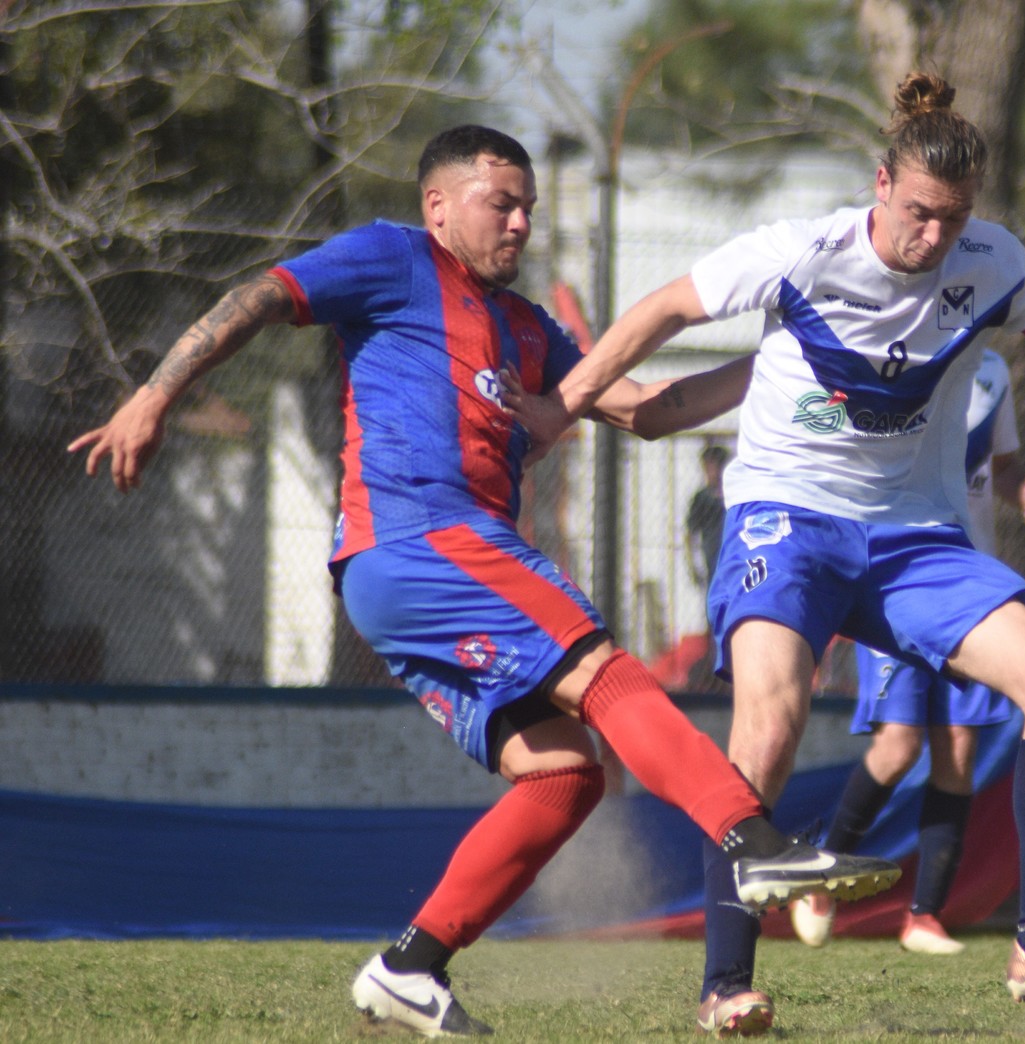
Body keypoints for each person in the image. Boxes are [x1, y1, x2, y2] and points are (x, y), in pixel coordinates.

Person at [66, 124, 899, 1038]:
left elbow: (648, 411)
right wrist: (153, 394)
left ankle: (409, 968)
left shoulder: (524, 327)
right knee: (604, 671)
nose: (520, 224)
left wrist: (784, 361)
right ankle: (753, 842)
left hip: (405, 577)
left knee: (564, 775)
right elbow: (261, 295)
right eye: (500, 204)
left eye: (529, 209)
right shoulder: (393, 258)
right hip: (425, 540)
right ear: (437, 205)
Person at [506, 72, 1025, 1036]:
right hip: (787, 518)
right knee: (771, 724)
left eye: (952, 220)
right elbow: (660, 311)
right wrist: (559, 406)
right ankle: (726, 983)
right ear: (879, 183)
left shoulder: (989, 263)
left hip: (914, 537)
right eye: (917, 214)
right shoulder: (799, 253)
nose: (933, 238)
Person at [789, 348, 1025, 956]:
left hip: (971, 586)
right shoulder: (892, 349)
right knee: (899, 743)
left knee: (958, 751)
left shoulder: (994, 367)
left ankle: (924, 916)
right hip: (897, 580)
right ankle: (820, 877)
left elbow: (1003, 467)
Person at [686, 442, 730, 589]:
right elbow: (690, 533)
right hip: (712, 563)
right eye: (707, 467)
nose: (710, 472)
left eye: (714, 466)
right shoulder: (701, 498)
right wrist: (692, 565)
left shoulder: (735, 496)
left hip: (735, 563)